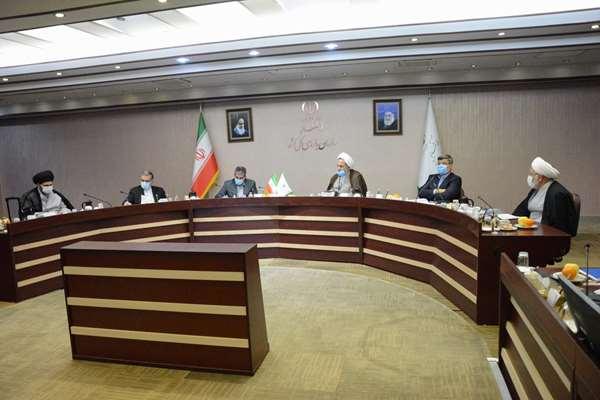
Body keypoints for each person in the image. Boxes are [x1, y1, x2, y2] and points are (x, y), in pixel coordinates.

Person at [513, 156, 577, 236]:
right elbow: (522, 210)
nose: (529, 177)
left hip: (544, 235)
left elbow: (559, 226)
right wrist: (510, 220)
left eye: (531, 174)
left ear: (540, 178)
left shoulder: (558, 194)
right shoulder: (536, 189)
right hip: (530, 231)